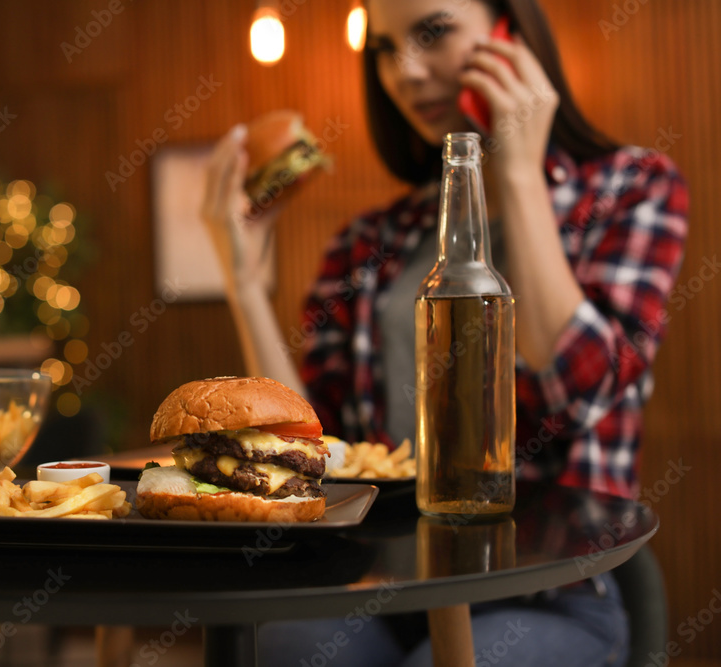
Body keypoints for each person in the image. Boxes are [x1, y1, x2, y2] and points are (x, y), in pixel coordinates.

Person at [199, 0, 689, 665]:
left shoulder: (633, 187)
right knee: (284, 646)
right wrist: (243, 280)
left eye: (432, 31)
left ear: (511, 35)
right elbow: (314, 454)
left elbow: (576, 391)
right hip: (382, 585)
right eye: (382, 48)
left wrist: (515, 165)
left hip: (547, 592)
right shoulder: (370, 240)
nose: (403, 72)